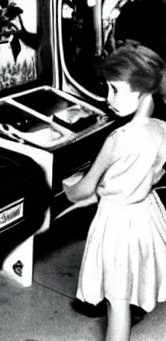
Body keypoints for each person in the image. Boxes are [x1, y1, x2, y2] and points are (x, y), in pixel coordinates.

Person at [63, 43, 166, 341]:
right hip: (147, 217)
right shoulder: (162, 129)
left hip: (117, 226)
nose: (108, 99)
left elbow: (83, 190)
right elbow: (155, 172)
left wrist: (62, 185)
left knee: (117, 304)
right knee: (130, 287)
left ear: (143, 90)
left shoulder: (117, 138)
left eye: (115, 90)